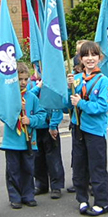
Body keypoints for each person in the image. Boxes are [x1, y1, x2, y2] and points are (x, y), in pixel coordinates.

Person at [66, 41, 108, 217]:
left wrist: (81, 103)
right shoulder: (76, 79)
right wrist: (67, 86)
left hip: (95, 131)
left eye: (93, 55)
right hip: (78, 128)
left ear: (99, 58)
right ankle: (82, 199)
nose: (90, 58)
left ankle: (102, 202)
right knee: (79, 166)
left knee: (97, 167)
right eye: (86, 55)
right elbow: (66, 104)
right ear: (80, 58)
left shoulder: (103, 81)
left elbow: (101, 107)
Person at [0, 62, 47, 210]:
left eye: (26, 79)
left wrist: (30, 120)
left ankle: (28, 195)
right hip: (12, 141)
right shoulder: (8, 98)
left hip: (28, 140)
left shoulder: (31, 97)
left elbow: (42, 115)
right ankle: (15, 197)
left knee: (28, 169)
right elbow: (2, 115)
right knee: (13, 170)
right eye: (20, 79)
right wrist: (15, 109)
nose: (23, 82)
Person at [28, 67, 65, 200]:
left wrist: (54, 125)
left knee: (53, 157)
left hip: (50, 126)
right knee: (37, 157)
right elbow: (27, 97)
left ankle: (56, 186)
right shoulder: (31, 84)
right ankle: (41, 183)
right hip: (36, 126)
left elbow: (57, 106)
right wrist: (38, 87)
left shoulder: (53, 83)